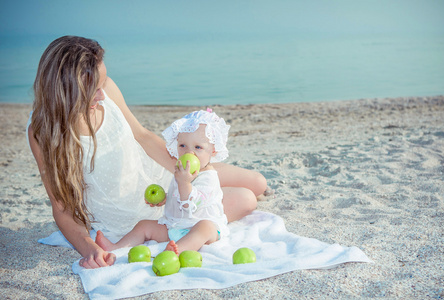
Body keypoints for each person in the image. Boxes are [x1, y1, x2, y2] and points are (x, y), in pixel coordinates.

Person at [27, 36, 267, 269]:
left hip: (162, 176)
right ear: (66, 92)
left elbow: (142, 135)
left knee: (257, 182)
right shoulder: (43, 134)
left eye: (103, 83)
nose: (102, 95)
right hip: (136, 216)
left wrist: (186, 173)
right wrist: (89, 248)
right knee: (246, 199)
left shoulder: (106, 88)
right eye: (93, 89)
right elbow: (61, 206)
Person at [96, 110, 231, 255]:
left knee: (205, 227)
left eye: (198, 147)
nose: (189, 153)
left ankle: (178, 250)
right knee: (144, 225)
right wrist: (167, 198)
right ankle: (117, 247)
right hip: (175, 226)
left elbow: (191, 204)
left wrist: (184, 183)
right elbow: (179, 195)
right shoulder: (182, 171)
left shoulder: (208, 177)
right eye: (183, 146)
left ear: (214, 151)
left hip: (200, 226)